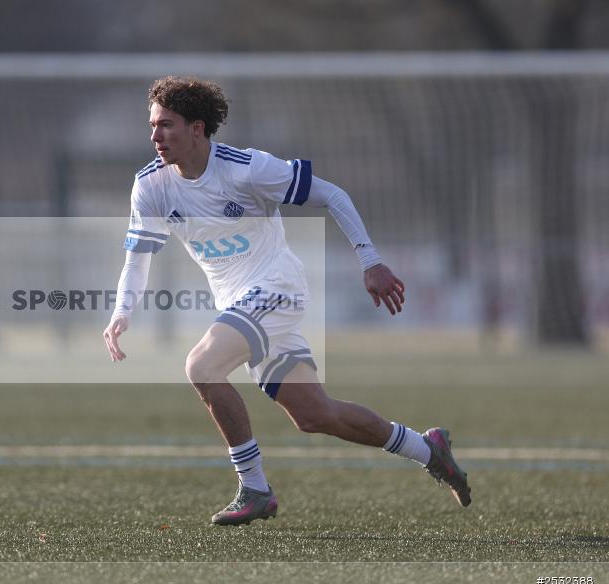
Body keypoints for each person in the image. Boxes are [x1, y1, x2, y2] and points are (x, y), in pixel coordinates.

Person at [103, 76, 471, 526]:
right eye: (153, 126)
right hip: (240, 304)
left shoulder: (247, 169)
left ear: (198, 128)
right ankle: (427, 448)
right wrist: (122, 312)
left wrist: (370, 261)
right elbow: (138, 259)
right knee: (317, 415)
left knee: (201, 366)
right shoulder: (151, 186)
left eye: (167, 125)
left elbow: (333, 194)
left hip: (277, 288)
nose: (155, 136)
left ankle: (255, 488)